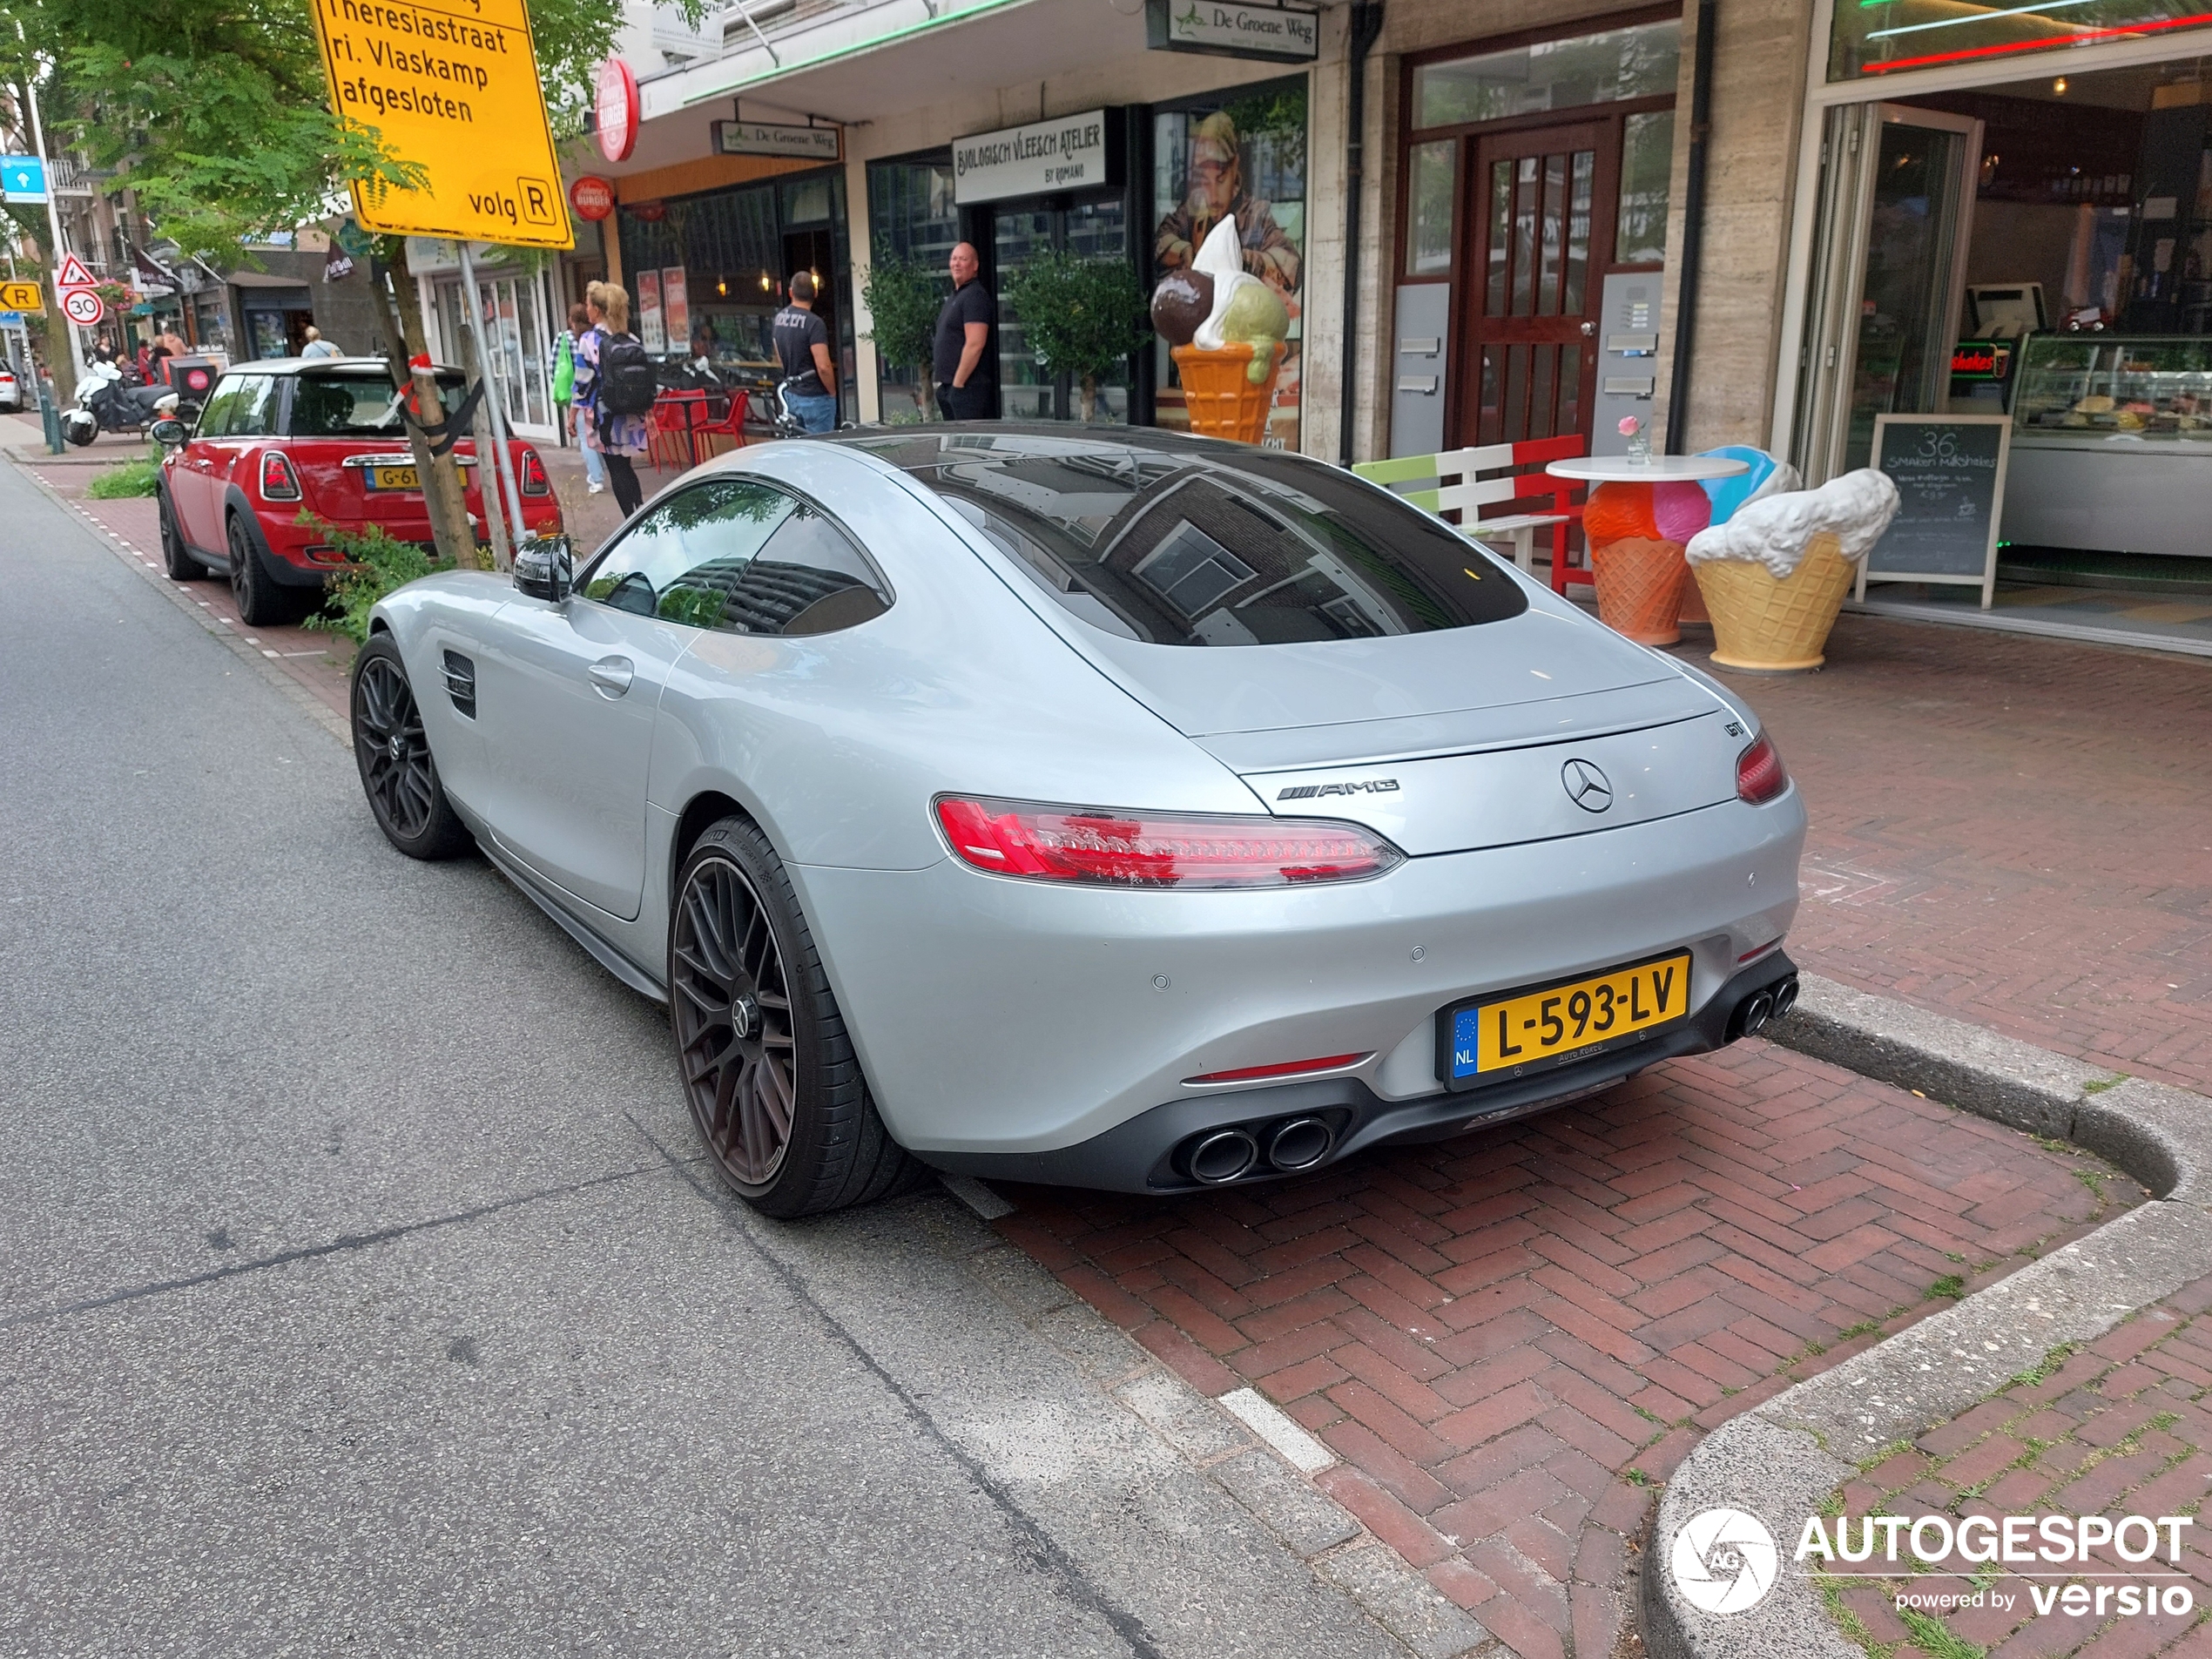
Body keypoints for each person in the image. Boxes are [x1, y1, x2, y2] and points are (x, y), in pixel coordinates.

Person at [1152, 110, 1301, 296]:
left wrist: (1238, 259)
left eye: (1220, 179)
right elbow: (1158, 240)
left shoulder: (1256, 214)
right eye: (1205, 181)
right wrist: (1182, 251)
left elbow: (1294, 268)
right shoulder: (1195, 207)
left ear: (1235, 167)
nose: (1213, 197)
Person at [574, 281, 650, 518]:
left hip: (605, 413)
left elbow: (582, 381)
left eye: (588, 305)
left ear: (597, 309)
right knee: (625, 466)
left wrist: (572, 413)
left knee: (615, 468)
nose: (587, 309)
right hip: (631, 412)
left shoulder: (588, 339)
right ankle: (639, 513)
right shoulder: (630, 337)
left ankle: (631, 520)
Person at [933, 241, 995, 421]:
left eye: (963, 259)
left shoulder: (975, 296)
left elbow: (975, 344)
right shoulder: (957, 295)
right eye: (953, 259)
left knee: (966, 446)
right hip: (950, 388)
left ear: (975, 265)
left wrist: (958, 384)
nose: (956, 263)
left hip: (967, 388)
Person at [772, 271, 837, 435]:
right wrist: (832, 392)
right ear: (815, 293)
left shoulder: (779, 319)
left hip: (791, 394)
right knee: (821, 451)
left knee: (799, 450)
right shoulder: (815, 324)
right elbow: (823, 366)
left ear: (790, 292)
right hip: (815, 397)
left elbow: (779, 357)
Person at [552, 302, 604, 495]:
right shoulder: (595, 337)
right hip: (597, 394)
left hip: (578, 395)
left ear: (570, 320)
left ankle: (597, 478)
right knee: (598, 435)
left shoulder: (564, 338)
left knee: (585, 437)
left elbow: (554, 366)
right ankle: (603, 472)